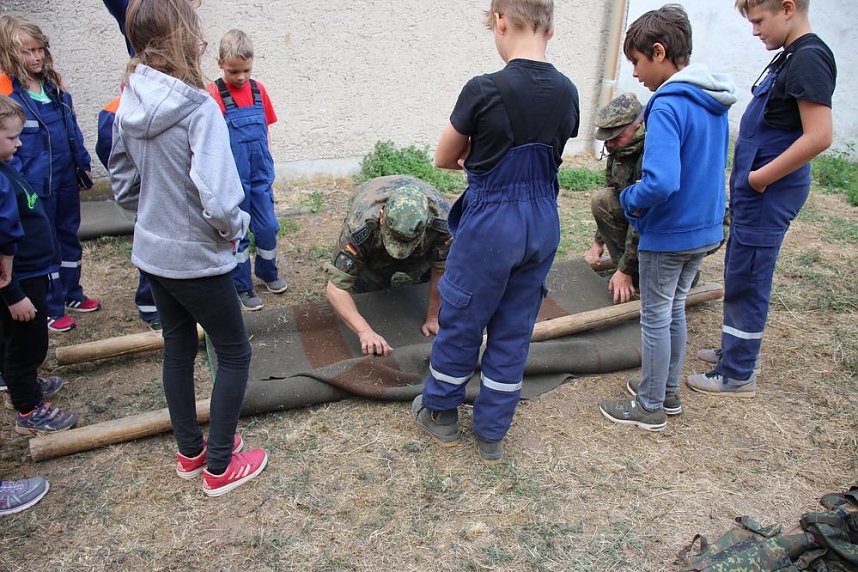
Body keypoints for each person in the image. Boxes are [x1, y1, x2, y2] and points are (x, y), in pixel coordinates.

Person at [412, 0, 580, 463]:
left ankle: (441, 413)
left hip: (491, 223)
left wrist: (478, 159)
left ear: (501, 21)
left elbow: (444, 157)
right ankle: (491, 432)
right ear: (550, 28)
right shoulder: (568, 92)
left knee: (463, 317)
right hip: (542, 221)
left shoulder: (483, 89)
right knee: (514, 327)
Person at [110, 0, 266, 496]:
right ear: (184, 37)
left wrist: (155, 212)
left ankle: (190, 450)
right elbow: (219, 200)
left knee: (177, 348)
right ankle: (219, 466)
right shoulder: (199, 107)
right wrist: (237, 229)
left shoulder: (128, 99)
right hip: (196, 258)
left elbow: (123, 187)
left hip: (153, 253)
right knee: (235, 353)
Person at [598, 4, 737, 431]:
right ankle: (667, 391)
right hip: (704, 228)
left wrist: (629, 199)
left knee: (656, 315)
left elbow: (661, 182)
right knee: (674, 309)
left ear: (659, 52)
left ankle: (650, 404)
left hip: (670, 231)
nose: (635, 74)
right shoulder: (713, 101)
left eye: (637, 62)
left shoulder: (666, 104)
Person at [687, 0, 835, 397]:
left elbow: (820, 135)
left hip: (767, 192)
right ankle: (733, 349)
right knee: (739, 271)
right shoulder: (791, 56)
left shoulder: (809, 58)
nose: (755, 31)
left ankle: (737, 373)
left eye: (758, 21)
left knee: (750, 278)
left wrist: (759, 178)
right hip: (755, 192)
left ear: (787, 8)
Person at [0, 15, 100, 334]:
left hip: (65, 176)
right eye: (27, 51)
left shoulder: (55, 89)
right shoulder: (10, 96)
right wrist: (19, 189)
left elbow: (72, 131)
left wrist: (82, 163)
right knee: (47, 243)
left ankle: (72, 292)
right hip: (34, 184)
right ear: (10, 54)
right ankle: (51, 307)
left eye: (39, 49)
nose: (36, 57)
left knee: (68, 234)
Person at [0, 93, 76, 435]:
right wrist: (13, 294)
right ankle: (29, 409)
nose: (18, 143)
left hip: (30, 271)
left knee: (21, 340)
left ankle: (23, 382)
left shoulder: (6, 167)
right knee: (26, 344)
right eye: (12, 137)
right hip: (19, 278)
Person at [326, 175, 451, 357]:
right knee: (367, 285)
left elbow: (442, 271)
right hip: (371, 194)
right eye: (394, 239)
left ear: (425, 225)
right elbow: (335, 288)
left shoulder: (444, 222)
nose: (398, 251)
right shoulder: (360, 225)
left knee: (426, 278)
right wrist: (364, 331)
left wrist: (433, 317)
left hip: (426, 236)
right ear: (381, 216)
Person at [207, 29, 287, 311]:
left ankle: (268, 272)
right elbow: (212, 141)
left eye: (246, 70)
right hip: (233, 180)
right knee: (237, 233)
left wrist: (268, 161)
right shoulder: (214, 94)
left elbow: (265, 130)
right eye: (234, 71)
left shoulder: (258, 90)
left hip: (260, 176)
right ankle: (242, 286)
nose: (241, 77)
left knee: (267, 227)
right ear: (220, 64)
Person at [95, 96, 161, 330]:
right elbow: (109, 153)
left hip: (166, 190)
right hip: (146, 193)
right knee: (151, 246)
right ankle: (149, 305)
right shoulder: (116, 110)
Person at [585, 92, 645, 304]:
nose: (610, 144)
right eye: (608, 140)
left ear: (637, 126)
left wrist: (625, 270)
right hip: (637, 212)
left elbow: (642, 218)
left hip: (665, 223)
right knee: (602, 200)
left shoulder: (653, 152)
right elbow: (612, 190)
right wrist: (598, 242)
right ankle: (635, 274)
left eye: (616, 138)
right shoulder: (621, 149)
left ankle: (640, 276)